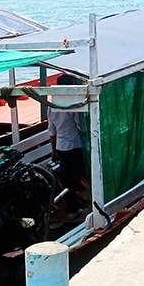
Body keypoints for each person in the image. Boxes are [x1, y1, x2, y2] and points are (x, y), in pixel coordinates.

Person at [49, 73, 88, 213]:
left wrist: (54, 151)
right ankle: (89, 199)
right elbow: (79, 125)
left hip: (61, 146)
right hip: (75, 145)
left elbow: (52, 131)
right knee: (81, 174)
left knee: (69, 179)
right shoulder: (72, 103)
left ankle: (74, 206)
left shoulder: (52, 105)